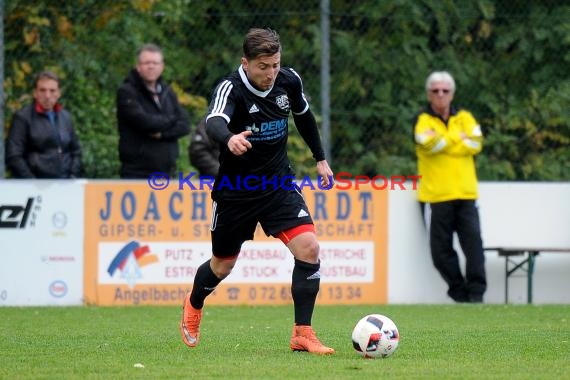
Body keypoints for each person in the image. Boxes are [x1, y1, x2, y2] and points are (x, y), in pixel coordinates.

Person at [180, 28, 335, 355]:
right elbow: (213, 121)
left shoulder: (288, 81)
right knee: (222, 265)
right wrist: (229, 138)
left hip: (277, 184)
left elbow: (304, 116)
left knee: (309, 247)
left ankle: (302, 333)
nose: (270, 73)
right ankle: (194, 304)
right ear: (246, 63)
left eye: (275, 65)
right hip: (237, 190)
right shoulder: (230, 87)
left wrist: (320, 159)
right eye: (263, 66)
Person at [413, 70, 487, 303]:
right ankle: (459, 293)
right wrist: (459, 139)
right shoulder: (422, 119)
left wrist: (444, 140)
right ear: (429, 94)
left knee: (473, 246)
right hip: (435, 197)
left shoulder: (465, 116)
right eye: (436, 91)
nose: (441, 95)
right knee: (440, 253)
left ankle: (476, 295)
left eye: (445, 91)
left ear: (452, 94)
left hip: (466, 194)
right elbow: (427, 142)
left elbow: (476, 142)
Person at [116, 43, 190, 179]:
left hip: (167, 172)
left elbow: (185, 125)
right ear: (138, 67)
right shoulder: (127, 92)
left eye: (155, 63)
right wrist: (172, 119)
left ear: (162, 67)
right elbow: (145, 122)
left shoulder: (168, 92)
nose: (151, 66)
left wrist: (161, 135)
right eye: (147, 63)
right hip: (137, 173)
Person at [5, 71, 81, 178]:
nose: (47, 95)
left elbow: (76, 151)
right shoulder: (22, 117)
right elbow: (13, 156)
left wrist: (73, 175)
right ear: (35, 93)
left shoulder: (66, 117)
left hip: (65, 185)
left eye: (52, 90)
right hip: (35, 187)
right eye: (42, 90)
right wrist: (31, 182)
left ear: (59, 93)